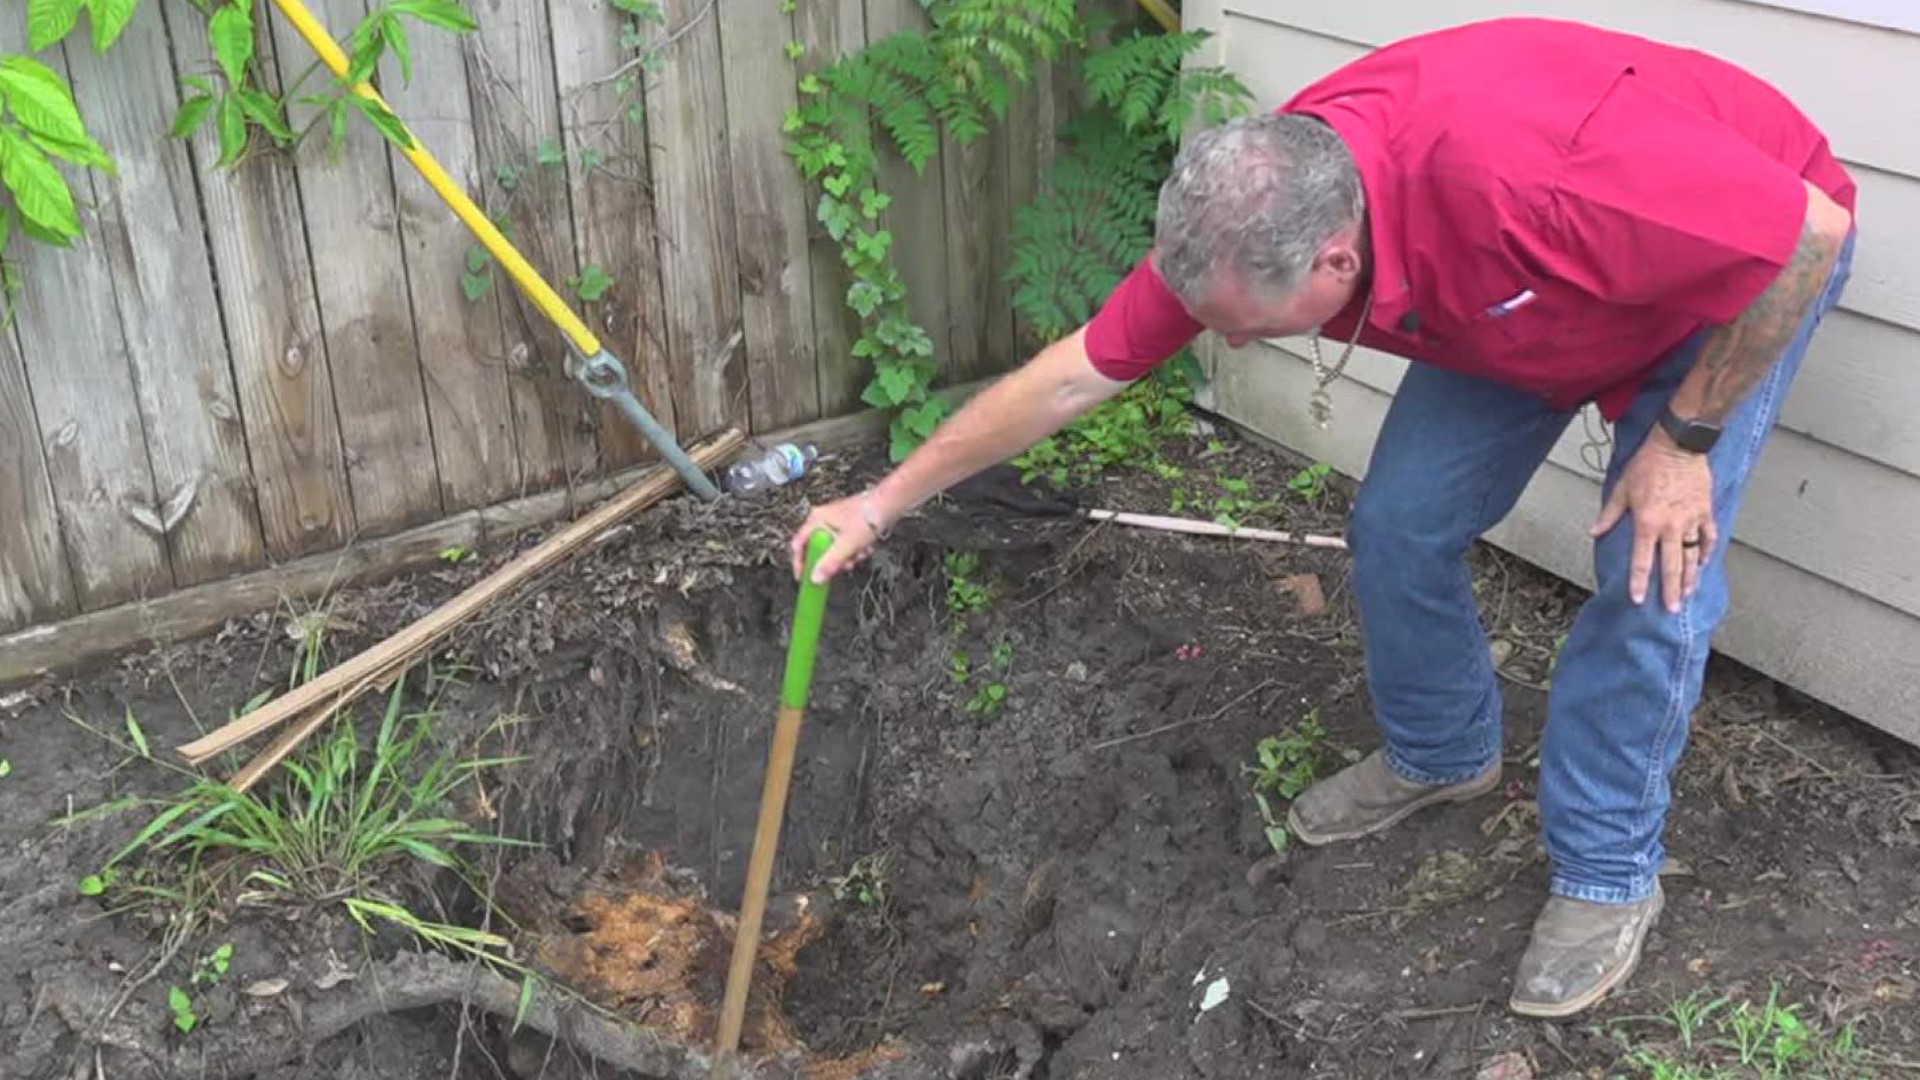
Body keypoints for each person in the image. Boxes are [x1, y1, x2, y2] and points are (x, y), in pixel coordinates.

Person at [786, 16, 1857, 1017]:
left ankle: (1609, 872)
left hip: (1725, 287)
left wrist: (1685, 443)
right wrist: (880, 502)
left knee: (1648, 567)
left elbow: (1808, 235)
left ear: (1338, 262)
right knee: (1397, 522)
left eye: (1248, 329)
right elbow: (1070, 380)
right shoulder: (1248, 220)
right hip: (1521, 303)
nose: (1235, 347)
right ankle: (1444, 753)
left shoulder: (1529, 177)